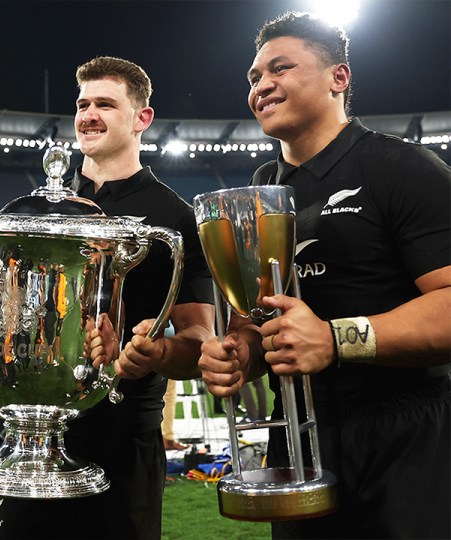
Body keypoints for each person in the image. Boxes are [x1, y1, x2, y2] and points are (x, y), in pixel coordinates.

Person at [198, 11, 450, 539]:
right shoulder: (261, 186)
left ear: (339, 78)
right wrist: (243, 352)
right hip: (299, 437)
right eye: (253, 77)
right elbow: (261, 314)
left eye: (280, 68)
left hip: (404, 433)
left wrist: (337, 339)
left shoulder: (402, 167)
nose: (261, 84)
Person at [0, 56, 214, 540]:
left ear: (141, 118)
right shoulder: (41, 211)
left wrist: (152, 353)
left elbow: (199, 337)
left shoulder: (173, 217)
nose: (88, 113)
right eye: (83, 103)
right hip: (30, 440)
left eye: (105, 104)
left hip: (121, 443)